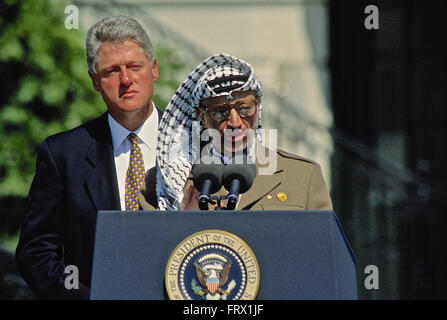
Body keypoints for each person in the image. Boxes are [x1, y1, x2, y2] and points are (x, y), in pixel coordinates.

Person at [15, 16, 161, 299]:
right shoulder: (63, 156)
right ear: (95, 81)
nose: (126, 80)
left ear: (153, 69)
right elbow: (36, 254)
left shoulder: (194, 145)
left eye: (134, 66)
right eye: (111, 72)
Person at [139, 53, 332, 211]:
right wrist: (185, 225)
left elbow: (325, 252)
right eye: (220, 112)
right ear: (203, 117)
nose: (235, 122)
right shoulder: (164, 183)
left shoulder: (303, 176)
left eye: (245, 108)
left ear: (258, 107)